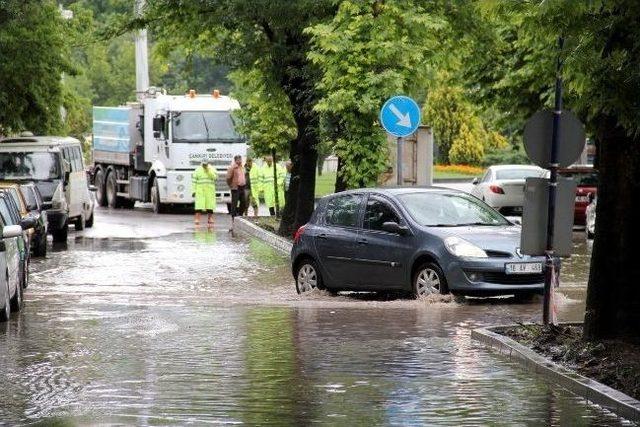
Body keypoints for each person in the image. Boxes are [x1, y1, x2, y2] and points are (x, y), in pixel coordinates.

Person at [191, 161, 216, 228]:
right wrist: (193, 191)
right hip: (200, 191)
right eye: (203, 164)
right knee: (199, 206)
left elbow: (215, 177)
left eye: (206, 164)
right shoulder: (198, 170)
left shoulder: (212, 169)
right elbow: (194, 181)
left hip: (209, 190)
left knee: (209, 205)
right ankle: (197, 219)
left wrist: (208, 170)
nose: (204, 165)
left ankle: (210, 218)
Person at [226, 155, 247, 223]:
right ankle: (233, 217)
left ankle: (240, 215)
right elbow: (228, 178)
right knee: (234, 203)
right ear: (235, 160)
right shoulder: (232, 168)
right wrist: (231, 185)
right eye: (238, 160)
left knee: (244, 202)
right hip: (236, 188)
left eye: (240, 159)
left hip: (242, 187)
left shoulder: (242, 167)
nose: (240, 161)